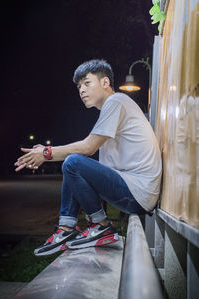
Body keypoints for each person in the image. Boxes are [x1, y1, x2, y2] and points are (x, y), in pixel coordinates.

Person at [14, 59, 162, 256]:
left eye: (87, 83)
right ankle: (67, 228)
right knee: (74, 162)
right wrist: (49, 151)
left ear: (105, 83)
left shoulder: (116, 102)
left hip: (138, 191)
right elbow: (90, 162)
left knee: (73, 162)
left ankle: (100, 226)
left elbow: (88, 147)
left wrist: (47, 153)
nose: (81, 90)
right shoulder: (112, 108)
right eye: (79, 86)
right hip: (135, 191)